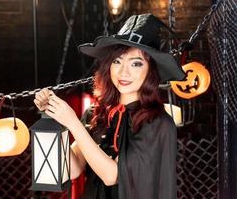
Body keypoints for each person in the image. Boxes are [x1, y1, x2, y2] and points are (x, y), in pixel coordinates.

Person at [33, 14, 185, 199]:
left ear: (150, 70)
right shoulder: (97, 114)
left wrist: (72, 121)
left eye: (136, 63)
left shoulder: (158, 123)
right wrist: (56, 118)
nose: (123, 72)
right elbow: (72, 169)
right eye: (117, 61)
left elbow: (111, 175)